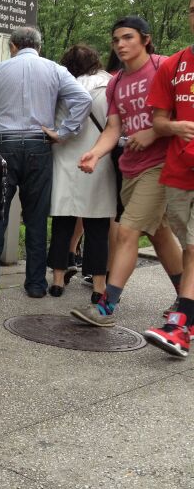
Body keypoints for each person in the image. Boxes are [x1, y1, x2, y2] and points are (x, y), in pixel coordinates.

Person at [71, 17, 183, 327]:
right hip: (131, 167)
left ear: (145, 39)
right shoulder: (116, 83)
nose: (120, 44)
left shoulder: (165, 67)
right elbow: (113, 127)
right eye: (116, 39)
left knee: (127, 230)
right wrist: (95, 152)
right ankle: (186, 298)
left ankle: (106, 305)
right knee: (159, 234)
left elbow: (180, 111)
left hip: (161, 165)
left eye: (128, 37)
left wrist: (154, 133)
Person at [0, 27, 92, 298]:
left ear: (12, 46)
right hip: (39, 146)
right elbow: (83, 99)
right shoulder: (55, 70)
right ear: (38, 46)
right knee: (36, 218)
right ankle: (36, 285)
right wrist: (64, 132)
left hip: (2, 147)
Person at [142, 0, 194, 356]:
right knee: (190, 246)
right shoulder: (173, 65)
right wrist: (176, 128)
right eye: (193, 10)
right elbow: (158, 121)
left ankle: (181, 324)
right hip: (178, 171)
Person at [46, 45, 115, 300]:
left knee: (62, 223)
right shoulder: (109, 86)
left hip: (64, 159)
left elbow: (52, 124)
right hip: (98, 159)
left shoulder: (61, 88)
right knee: (97, 227)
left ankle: (57, 281)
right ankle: (99, 288)